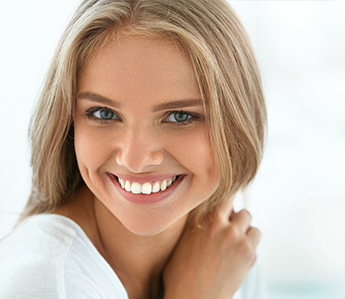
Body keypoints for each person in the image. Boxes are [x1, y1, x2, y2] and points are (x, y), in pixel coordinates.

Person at [0, 0, 267, 298]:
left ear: (237, 122)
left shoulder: (225, 252)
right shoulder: (46, 284)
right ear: (68, 122)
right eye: (104, 114)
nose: (135, 159)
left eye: (180, 116)